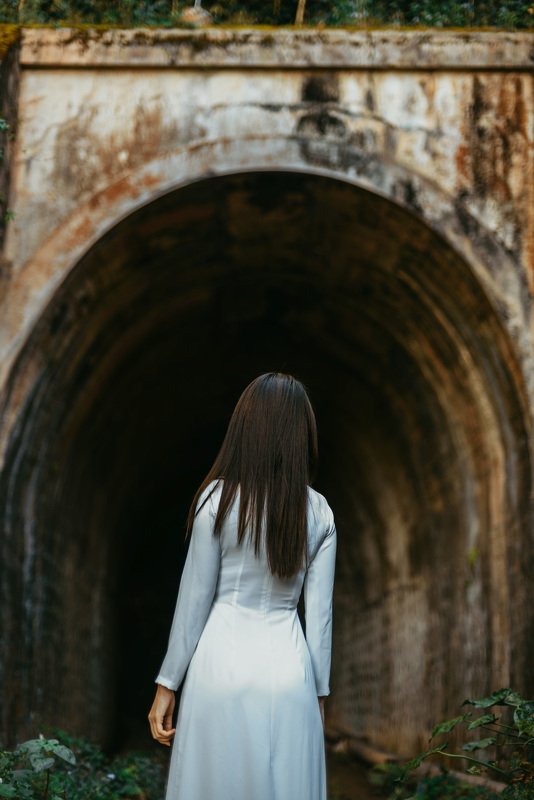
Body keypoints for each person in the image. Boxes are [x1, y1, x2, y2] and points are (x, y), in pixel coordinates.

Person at [148, 372, 337, 800]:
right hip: (290, 676)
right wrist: (319, 696)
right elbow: (320, 619)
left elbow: (193, 601)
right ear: (299, 434)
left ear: (245, 428)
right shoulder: (320, 513)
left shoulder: (216, 500)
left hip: (219, 670)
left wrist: (167, 685)